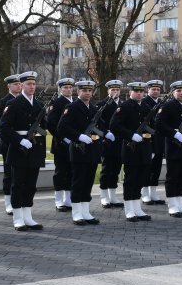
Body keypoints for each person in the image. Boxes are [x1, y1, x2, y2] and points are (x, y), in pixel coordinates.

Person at [0, 71, 46, 231]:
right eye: (28, 84)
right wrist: (20, 140)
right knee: (17, 184)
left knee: (31, 185)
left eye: (33, 84)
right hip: (19, 149)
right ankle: (18, 218)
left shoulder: (39, 105)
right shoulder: (14, 103)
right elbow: (3, 128)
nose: (32, 87)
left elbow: (44, 127)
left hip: (34, 149)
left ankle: (28, 216)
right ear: (22, 85)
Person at [58, 80, 102, 225]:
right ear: (78, 92)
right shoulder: (71, 107)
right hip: (78, 150)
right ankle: (77, 213)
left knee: (88, 182)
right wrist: (78, 136)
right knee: (78, 181)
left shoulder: (94, 109)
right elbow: (62, 127)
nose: (87, 93)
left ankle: (85, 211)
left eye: (90, 91)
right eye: (84, 91)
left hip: (92, 151)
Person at [110, 82, 153, 222]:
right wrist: (130, 135)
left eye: (141, 91)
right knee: (130, 180)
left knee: (140, 179)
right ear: (130, 92)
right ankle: (129, 210)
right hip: (130, 149)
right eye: (136, 91)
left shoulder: (146, 107)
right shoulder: (124, 107)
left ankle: (137, 208)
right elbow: (114, 126)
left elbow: (152, 125)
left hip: (144, 148)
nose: (139, 94)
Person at [157, 81, 182, 217]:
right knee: (173, 176)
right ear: (173, 92)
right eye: (178, 91)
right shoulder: (167, 106)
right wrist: (173, 133)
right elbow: (159, 124)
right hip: (174, 147)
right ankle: (172, 205)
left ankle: (181, 204)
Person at [0, 74, 22, 215]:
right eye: (15, 84)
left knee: (21, 174)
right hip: (9, 145)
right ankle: (8, 202)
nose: (18, 86)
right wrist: (7, 138)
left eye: (19, 84)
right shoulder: (4, 101)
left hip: (22, 144)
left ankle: (19, 200)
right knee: (9, 174)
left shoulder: (23, 100)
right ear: (8, 86)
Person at [47, 77, 75, 212]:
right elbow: (51, 124)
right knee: (60, 172)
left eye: (70, 87)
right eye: (65, 87)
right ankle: (58, 200)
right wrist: (63, 138)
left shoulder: (76, 102)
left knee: (71, 171)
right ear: (60, 89)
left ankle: (68, 199)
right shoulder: (56, 103)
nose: (68, 90)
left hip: (74, 143)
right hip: (61, 144)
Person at [98, 80, 124, 208]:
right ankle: (104, 196)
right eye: (113, 90)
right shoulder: (102, 104)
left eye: (117, 90)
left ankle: (113, 195)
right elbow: (98, 122)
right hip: (107, 141)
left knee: (116, 169)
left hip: (120, 141)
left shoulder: (123, 104)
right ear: (108, 90)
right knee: (106, 169)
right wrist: (105, 133)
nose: (115, 92)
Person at [140, 80, 165, 205]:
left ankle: (153, 193)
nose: (156, 91)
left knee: (156, 168)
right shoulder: (144, 103)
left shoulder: (162, 103)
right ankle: (145, 194)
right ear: (148, 90)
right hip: (147, 140)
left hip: (159, 140)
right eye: (153, 89)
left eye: (158, 89)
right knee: (146, 168)